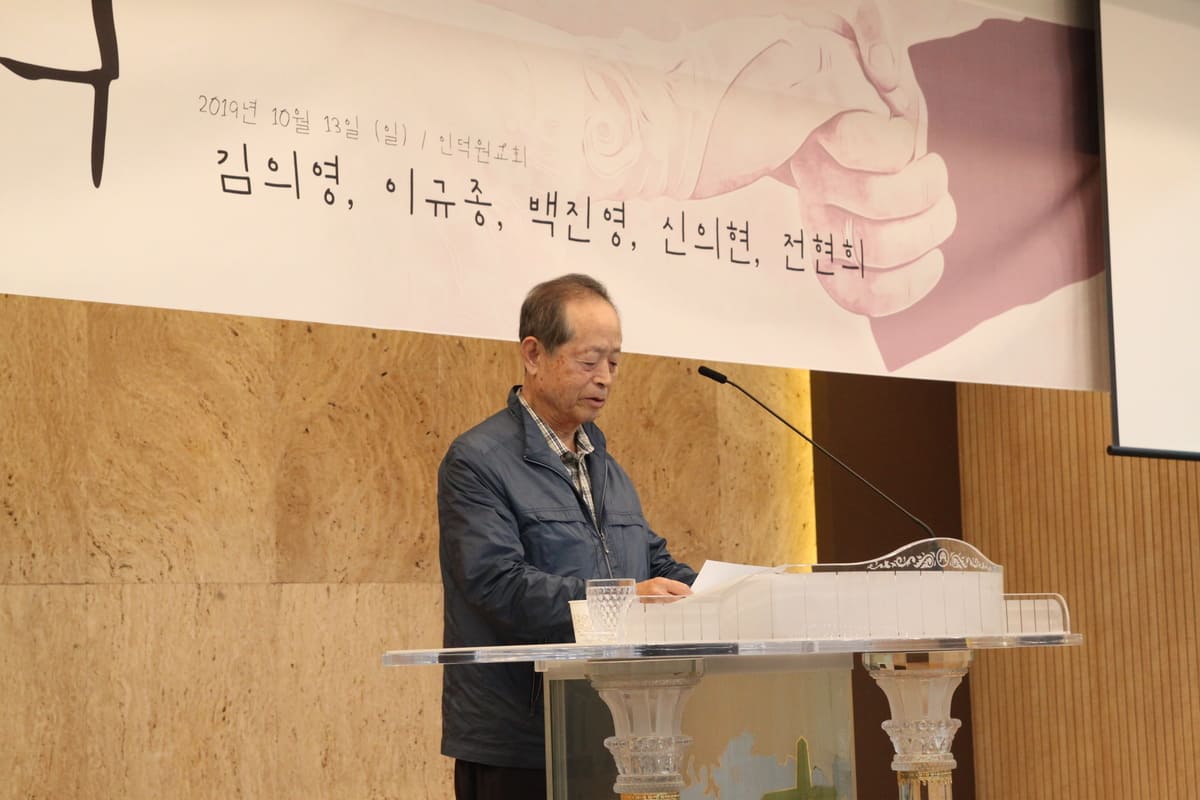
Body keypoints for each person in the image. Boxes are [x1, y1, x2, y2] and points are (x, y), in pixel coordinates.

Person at [438, 273, 697, 800]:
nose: (605, 378)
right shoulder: (477, 461)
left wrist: (725, 593)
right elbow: (497, 584)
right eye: (589, 361)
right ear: (534, 355)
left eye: (614, 363)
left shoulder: (603, 464)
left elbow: (651, 562)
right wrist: (625, 599)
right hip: (521, 740)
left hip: (610, 728)